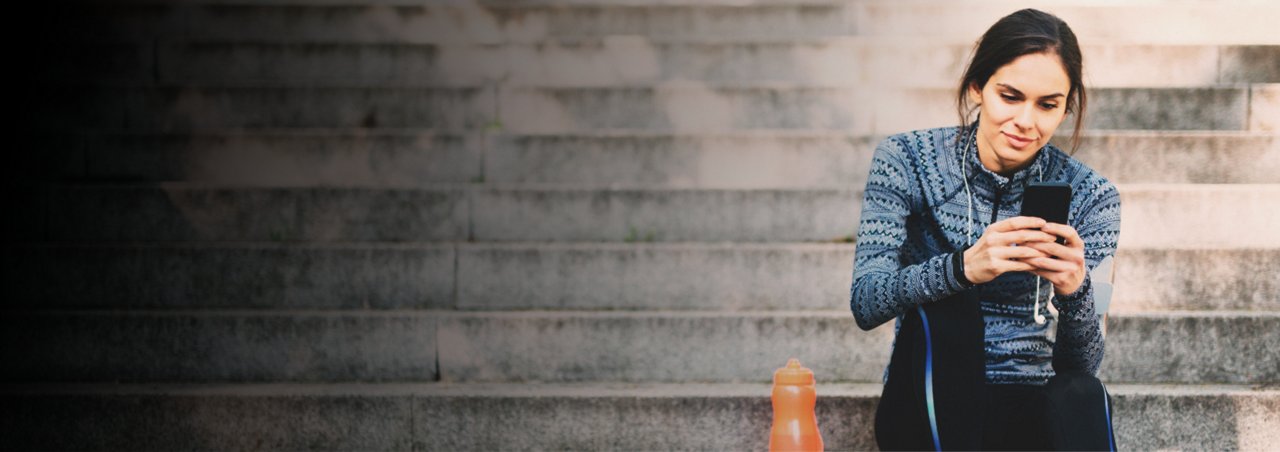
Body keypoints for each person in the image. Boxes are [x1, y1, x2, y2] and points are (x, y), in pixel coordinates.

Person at [848, 8, 1121, 451]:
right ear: (978, 86)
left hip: (1030, 397)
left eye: (1047, 105)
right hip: (931, 387)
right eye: (1010, 96)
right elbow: (867, 301)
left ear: (1066, 106)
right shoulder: (906, 160)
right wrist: (963, 268)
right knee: (951, 312)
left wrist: (1076, 291)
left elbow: (1083, 364)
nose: (1026, 122)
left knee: (1083, 393)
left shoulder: (1092, 196)